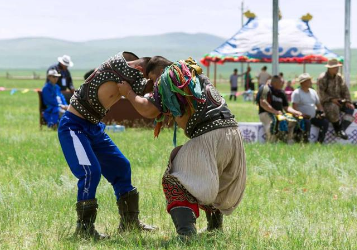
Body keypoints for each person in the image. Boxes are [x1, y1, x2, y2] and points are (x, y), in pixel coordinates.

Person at [120, 56, 246, 240]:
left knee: (176, 178)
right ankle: (215, 228)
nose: (154, 84)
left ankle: (186, 234)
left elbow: (148, 110)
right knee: (212, 178)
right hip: (232, 135)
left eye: (153, 79)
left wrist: (128, 93)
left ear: (158, 71)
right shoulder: (193, 74)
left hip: (209, 135)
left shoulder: (169, 76)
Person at [57, 52, 156, 240]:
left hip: (94, 127)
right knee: (89, 172)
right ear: (141, 70)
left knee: (121, 167)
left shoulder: (130, 74)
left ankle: (129, 223)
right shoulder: (120, 67)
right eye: (150, 76)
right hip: (74, 126)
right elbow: (147, 95)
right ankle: (84, 230)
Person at [257, 75, 303, 144]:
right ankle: (271, 142)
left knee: (293, 121)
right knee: (273, 122)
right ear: (275, 83)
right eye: (282, 82)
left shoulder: (281, 92)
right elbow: (263, 102)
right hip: (265, 113)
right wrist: (274, 111)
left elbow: (286, 107)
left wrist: (296, 112)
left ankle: (288, 140)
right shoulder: (265, 89)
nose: (283, 84)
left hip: (279, 114)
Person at [317, 59, 354, 140]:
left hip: (340, 101)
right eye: (334, 67)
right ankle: (338, 129)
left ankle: (341, 130)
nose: (337, 69)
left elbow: (345, 90)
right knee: (333, 107)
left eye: (337, 67)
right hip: (327, 103)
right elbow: (321, 94)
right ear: (329, 68)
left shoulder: (339, 77)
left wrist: (348, 101)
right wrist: (332, 99)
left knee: (350, 108)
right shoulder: (322, 78)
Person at [291, 73, 329, 144]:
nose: (311, 82)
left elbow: (318, 105)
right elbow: (294, 107)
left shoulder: (313, 92)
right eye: (309, 81)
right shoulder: (297, 93)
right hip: (302, 117)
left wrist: (322, 113)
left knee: (325, 123)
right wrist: (302, 115)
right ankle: (305, 141)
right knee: (307, 122)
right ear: (303, 82)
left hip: (313, 116)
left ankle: (320, 142)